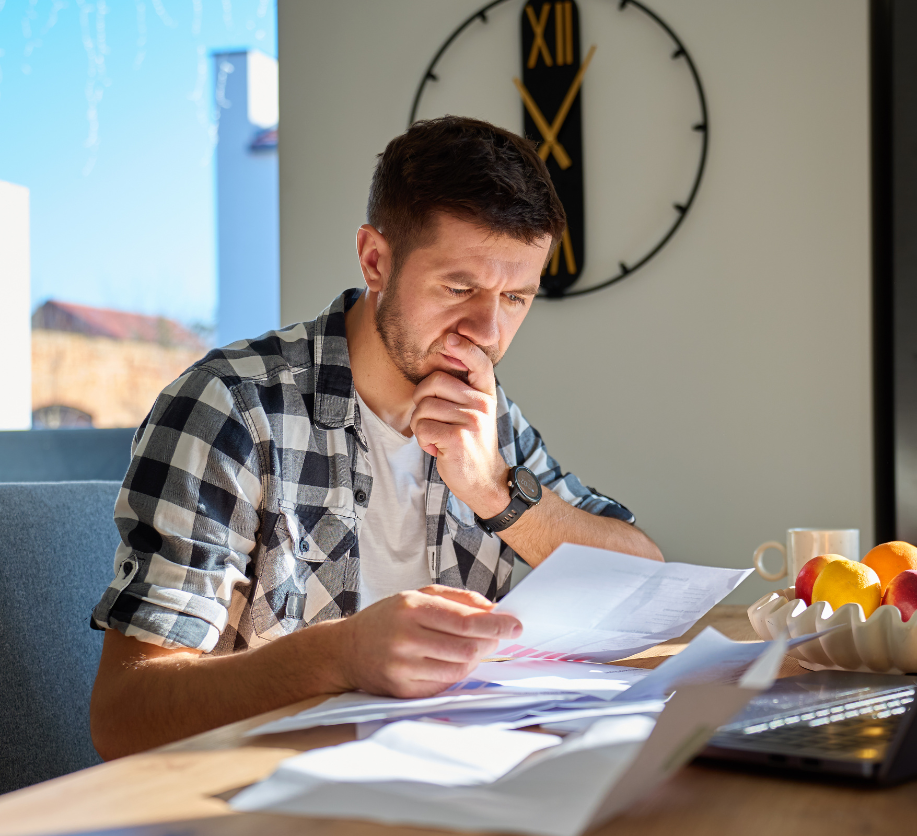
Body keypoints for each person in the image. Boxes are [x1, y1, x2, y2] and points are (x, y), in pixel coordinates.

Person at [89, 116, 662, 759]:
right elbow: (125, 716)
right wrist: (340, 655)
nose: (489, 333)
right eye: (459, 288)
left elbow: (646, 584)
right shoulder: (230, 408)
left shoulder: (485, 417)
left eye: (516, 299)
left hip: (460, 788)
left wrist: (499, 493)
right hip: (262, 803)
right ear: (375, 260)